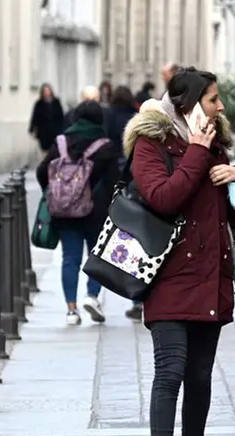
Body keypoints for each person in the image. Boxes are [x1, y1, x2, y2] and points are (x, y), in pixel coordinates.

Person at [125, 67, 235, 436]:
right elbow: (163, 198)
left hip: (210, 277)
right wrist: (196, 151)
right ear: (189, 104)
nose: (221, 106)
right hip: (167, 276)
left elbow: (228, 216)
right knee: (171, 370)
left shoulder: (215, 143)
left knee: (199, 377)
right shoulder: (151, 143)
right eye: (213, 99)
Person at [36, 101, 123, 325]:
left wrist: (53, 192)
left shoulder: (61, 142)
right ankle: (92, 296)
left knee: (70, 259)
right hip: (97, 211)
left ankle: (71, 311)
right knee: (97, 255)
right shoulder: (105, 146)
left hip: (64, 211)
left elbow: (41, 170)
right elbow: (115, 180)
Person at [103, 85, 144, 320]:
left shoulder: (108, 118)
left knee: (132, 243)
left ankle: (137, 299)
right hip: (138, 184)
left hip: (121, 182)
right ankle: (141, 300)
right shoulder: (135, 118)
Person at [28, 83, 65, 156]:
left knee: (55, 149)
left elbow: (61, 115)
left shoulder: (56, 102)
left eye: (48, 90)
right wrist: (31, 129)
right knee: (45, 150)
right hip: (43, 131)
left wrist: (63, 128)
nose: (47, 92)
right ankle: (46, 164)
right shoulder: (39, 103)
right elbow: (35, 116)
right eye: (45, 91)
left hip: (55, 130)